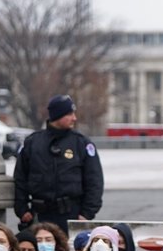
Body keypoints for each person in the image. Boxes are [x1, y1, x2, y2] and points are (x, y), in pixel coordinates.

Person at [13, 94, 103, 233]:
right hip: (39, 216)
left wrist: (87, 213)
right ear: (57, 115)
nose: (74, 118)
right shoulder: (32, 143)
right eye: (69, 114)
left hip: (72, 215)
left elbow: (94, 180)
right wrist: (22, 209)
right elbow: (20, 178)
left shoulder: (81, 143)